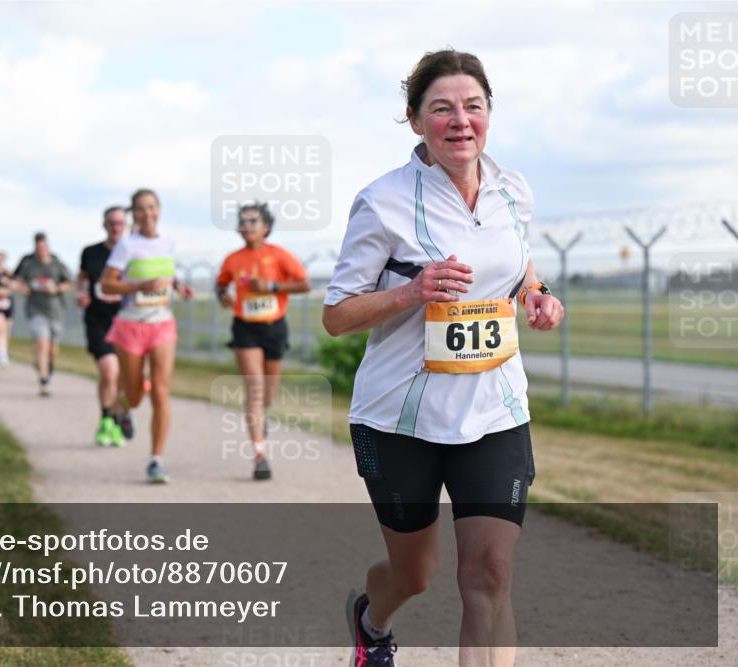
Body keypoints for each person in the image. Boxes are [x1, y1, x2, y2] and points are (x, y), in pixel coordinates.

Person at [322, 49, 565, 667]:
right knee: (415, 573)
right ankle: (372, 620)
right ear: (414, 120)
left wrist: (535, 294)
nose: (461, 120)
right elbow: (337, 314)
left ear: (489, 115)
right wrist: (411, 292)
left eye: (473, 107)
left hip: (494, 406)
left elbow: (514, 259)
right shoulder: (382, 202)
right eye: (442, 108)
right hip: (400, 418)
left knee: (489, 573)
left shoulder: (514, 190)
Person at [100, 189, 193, 484]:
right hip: (130, 325)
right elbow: (107, 285)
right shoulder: (126, 246)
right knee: (136, 393)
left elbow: (167, 275)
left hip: (162, 323)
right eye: (140, 209)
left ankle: (156, 459)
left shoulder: (169, 243)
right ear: (134, 214)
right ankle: (123, 407)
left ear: (159, 210)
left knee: (161, 391)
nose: (147, 213)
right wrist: (138, 287)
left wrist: (178, 287)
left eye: (151, 207)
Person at [215, 202, 310, 480]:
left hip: (275, 328)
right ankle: (260, 455)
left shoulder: (279, 255)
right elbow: (221, 284)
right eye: (242, 221)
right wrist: (223, 296)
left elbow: (304, 284)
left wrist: (273, 287)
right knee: (255, 389)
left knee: (268, 393)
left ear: (266, 227)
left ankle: (260, 419)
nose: (246, 226)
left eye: (252, 221)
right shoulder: (233, 259)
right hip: (245, 328)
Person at [77, 205, 128, 447]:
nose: (116, 227)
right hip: (98, 319)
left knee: (121, 378)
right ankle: (107, 418)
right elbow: (82, 278)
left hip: (126, 321)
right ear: (104, 225)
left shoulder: (133, 252)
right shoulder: (91, 252)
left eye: (120, 223)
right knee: (109, 371)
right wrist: (81, 293)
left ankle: (115, 418)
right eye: (112, 223)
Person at [13, 232, 74, 396]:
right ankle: (44, 380)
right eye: (38, 247)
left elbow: (70, 283)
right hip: (35, 310)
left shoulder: (56, 263)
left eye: (43, 246)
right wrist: (21, 288)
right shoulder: (28, 263)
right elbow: (16, 280)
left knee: (53, 350)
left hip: (55, 310)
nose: (41, 250)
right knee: (42, 343)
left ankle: (47, 367)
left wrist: (56, 289)